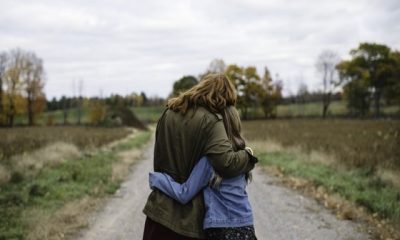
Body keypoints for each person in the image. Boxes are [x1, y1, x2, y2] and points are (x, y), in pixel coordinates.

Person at [142, 74, 257, 240]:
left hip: (159, 210)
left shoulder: (168, 113)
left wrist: (159, 179)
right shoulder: (211, 120)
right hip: (189, 219)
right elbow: (225, 162)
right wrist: (248, 156)